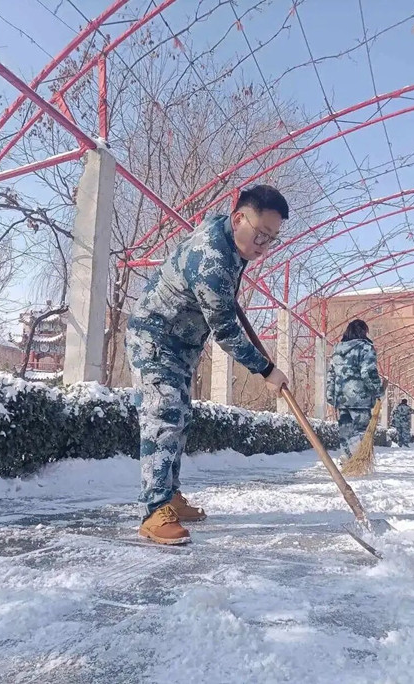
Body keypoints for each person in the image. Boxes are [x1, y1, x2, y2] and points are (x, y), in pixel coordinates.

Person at [126, 185, 291, 544]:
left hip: (181, 345)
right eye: (260, 233)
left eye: (271, 238)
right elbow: (226, 331)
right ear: (238, 219)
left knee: (181, 417)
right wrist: (266, 370)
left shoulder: (231, 238)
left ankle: (169, 495)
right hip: (155, 339)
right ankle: (154, 511)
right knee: (164, 416)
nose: (264, 244)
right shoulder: (212, 259)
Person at [326, 319, 383, 462]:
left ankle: (346, 459)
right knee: (362, 431)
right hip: (360, 399)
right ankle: (360, 461)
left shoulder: (337, 349)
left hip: (341, 398)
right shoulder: (365, 348)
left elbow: (331, 374)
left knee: (345, 431)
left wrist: (330, 394)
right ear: (363, 332)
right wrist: (378, 390)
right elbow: (367, 372)